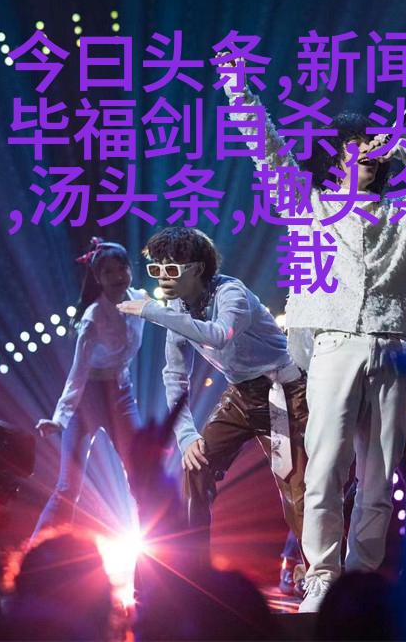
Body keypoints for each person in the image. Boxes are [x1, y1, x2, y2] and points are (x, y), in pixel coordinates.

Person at [217, 54, 406, 612]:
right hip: (334, 345)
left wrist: (399, 144)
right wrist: (237, 88)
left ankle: (359, 580)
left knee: (379, 476)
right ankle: (321, 574)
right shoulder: (310, 205)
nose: (363, 150)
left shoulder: (404, 213)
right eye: (353, 144)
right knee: (324, 468)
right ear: (335, 155)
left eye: (369, 144)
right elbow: (268, 150)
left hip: (392, 349)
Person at [117, 226, 308, 563]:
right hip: (242, 396)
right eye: (156, 269)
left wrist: (152, 311)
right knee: (196, 465)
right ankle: (193, 567)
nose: (163, 277)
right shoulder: (175, 307)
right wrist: (186, 436)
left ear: (197, 269)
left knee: (295, 487)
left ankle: (315, 569)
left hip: (284, 393)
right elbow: (174, 375)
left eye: (171, 268)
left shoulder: (232, 294)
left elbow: (219, 335)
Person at [33, 238, 145, 536]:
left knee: (142, 477)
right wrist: (60, 418)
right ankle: (35, 554)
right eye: (108, 272)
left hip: (121, 394)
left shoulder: (140, 300)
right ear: (98, 278)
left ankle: (156, 556)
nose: (118, 276)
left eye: (122, 268)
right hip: (88, 399)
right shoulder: (93, 318)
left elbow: (173, 317)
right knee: (68, 487)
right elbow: (78, 373)